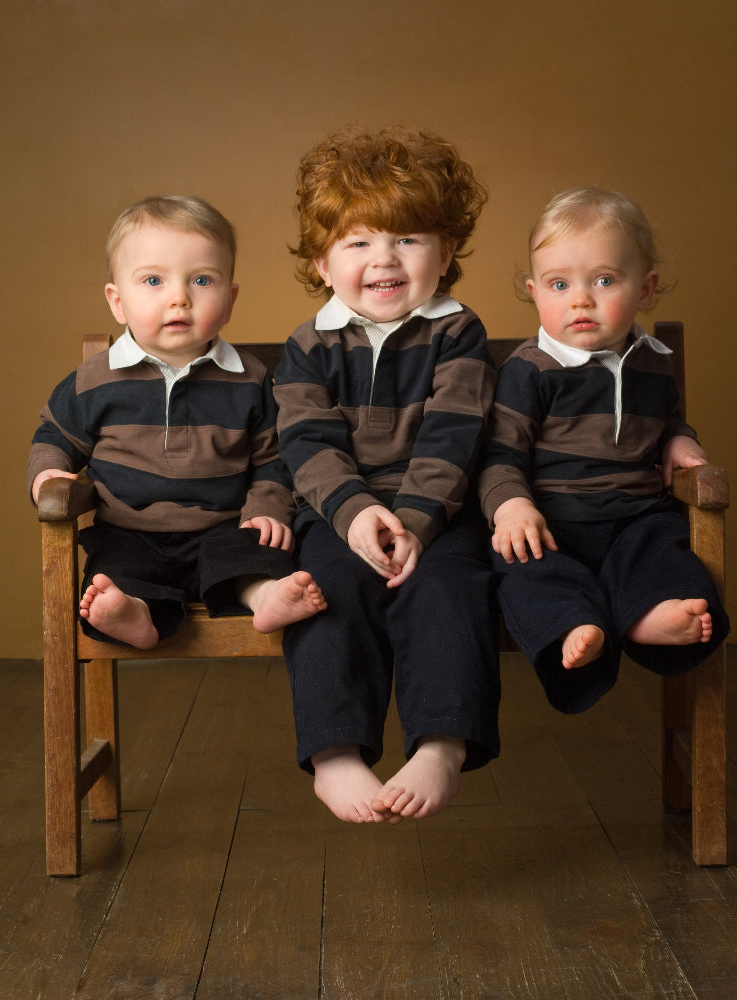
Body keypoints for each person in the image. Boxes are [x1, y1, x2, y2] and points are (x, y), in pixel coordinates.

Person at [273, 126, 500, 824]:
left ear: (447, 251)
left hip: (439, 513)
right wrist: (353, 514)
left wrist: (418, 520)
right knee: (323, 592)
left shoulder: (458, 333)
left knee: (450, 589)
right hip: (339, 514)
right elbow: (306, 442)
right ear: (321, 260)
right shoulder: (308, 346)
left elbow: (454, 434)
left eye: (407, 239)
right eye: (359, 242)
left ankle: (442, 742)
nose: (384, 259)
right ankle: (335, 752)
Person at [27, 195, 326, 649]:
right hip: (129, 529)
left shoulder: (249, 379)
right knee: (114, 571)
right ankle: (134, 611)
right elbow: (54, 434)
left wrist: (266, 507)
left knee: (252, 552)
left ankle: (264, 595)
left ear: (229, 300)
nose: (179, 298)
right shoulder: (94, 380)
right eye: (152, 280)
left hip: (222, 525)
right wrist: (48, 473)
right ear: (118, 301)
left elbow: (275, 458)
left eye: (202, 280)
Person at [478, 187, 729, 714]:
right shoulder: (530, 370)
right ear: (533, 290)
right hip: (553, 522)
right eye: (559, 284)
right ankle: (575, 624)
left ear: (646, 289)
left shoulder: (652, 361)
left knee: (668, 555)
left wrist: (681, 439)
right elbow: (500, 452)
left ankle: (648, 617)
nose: (581, 299)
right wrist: (512, 505)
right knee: (525, 571)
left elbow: (669, 421)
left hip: (635, 516)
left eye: (605, 280)